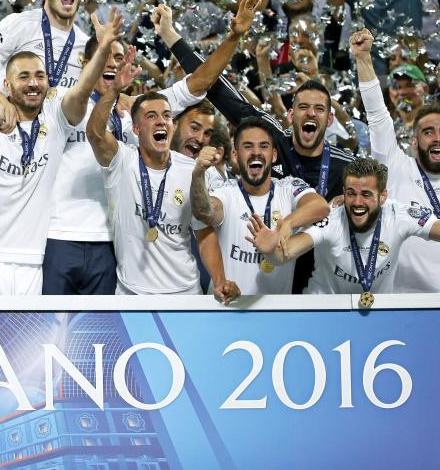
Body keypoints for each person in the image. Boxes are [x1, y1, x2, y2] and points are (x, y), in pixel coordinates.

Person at [164, 18, 356, 293]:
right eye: (303, 107)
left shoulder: (345, 165)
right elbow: (219, 90)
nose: (311, 114)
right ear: (290, 115)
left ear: (330, 119)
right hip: (267, 266)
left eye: (319, 109)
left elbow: (375, 195)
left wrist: (346, 201)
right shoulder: (269, 137)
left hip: (318, 278)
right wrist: (171, 36)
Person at [0, 7, 114, 295]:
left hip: (31, 262)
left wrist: (103, 50)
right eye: (24, 77)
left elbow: (81, 92)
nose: (33, 83)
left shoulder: (56, 120)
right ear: (6, 85)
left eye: (40, 76)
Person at [87, 42, 240, 300]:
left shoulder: (191, 170)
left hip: (185, 295)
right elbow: (95, 133)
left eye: (167, 116)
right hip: (132, 296)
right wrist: (114, 90)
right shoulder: (122, 161)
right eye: (151, 116)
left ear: (173, 125)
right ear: (136, 129)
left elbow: (203, 232)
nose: (161, 121)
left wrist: (219, 280)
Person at [247, 158, 440, 301]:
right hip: (325, 311)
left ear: (383, 197)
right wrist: (271, 251)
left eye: (366, 194)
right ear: (343, 192)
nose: (357, 202)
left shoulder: (399, 215)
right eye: (351, 193)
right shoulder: (331, 220)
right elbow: (285, 254)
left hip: (377, 314)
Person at [191, 117, 329, 295]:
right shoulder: (226, 191)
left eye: (263, 146)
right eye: (248, 146)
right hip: (228, 304)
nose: (256, 152)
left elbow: (320, 205)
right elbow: (205, 211)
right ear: (235, 155)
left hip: (275, 308)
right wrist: (198, 173)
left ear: (274, 155)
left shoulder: (288, 187)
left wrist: (287, 223)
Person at [353, 28, 440, 292]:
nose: (437, 138)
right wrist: (363, 58)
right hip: (404, 305)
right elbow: (377, 116)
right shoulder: (397, 167)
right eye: (428, 132)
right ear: (414, 141)